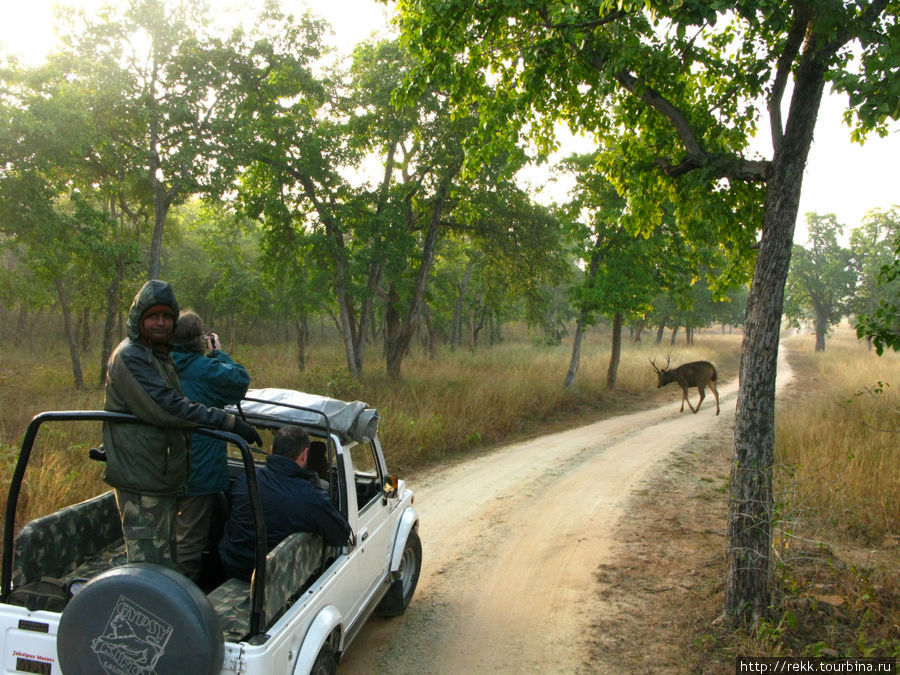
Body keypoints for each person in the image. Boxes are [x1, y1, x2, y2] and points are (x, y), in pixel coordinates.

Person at [102, 280, 262, 571]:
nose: (160, 323)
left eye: (166, 317)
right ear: (139, 319)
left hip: (159, 471)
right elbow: (167, 407)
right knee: (148, 564)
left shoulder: (157, 354)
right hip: (143, 476)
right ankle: (162, 612)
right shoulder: (131, 355)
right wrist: (228, 422)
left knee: (163, 554)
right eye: (152, 316)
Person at [170, 310, 251, 581]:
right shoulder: (202, 369)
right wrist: (217, 352)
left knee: (163, 537)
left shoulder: (157, 366)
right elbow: (239, 380)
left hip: (158, 467)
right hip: (198, 470)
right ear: (200, 340)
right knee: (188, 545)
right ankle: (176, 602)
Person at [218, 425, 352, 582]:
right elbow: (341, 535)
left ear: (271, 449)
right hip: (275, 579)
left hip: (234, 566)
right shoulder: (311, 497)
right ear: (304, 455)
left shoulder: (245, 480)